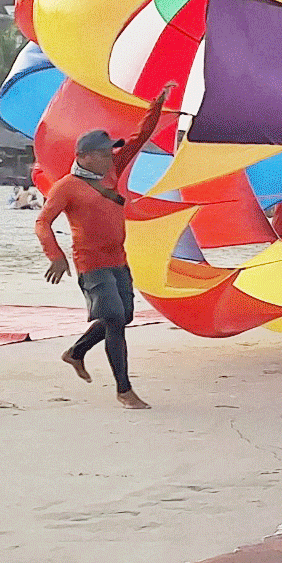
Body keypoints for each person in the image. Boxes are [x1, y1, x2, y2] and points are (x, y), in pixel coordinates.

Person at [37, 89, 171, 408]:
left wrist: (158, 104)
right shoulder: (66, 187)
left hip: (118, 261)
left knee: (122, 316)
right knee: (113, 318)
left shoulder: (112, 169)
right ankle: (124, 390)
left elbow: (139, 138)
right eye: (103, 154)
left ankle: (76, 352)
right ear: (84, 155)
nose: (110, 158)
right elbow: (42, 222)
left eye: (111, 153)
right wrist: (55, 256)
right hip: (91, 264)